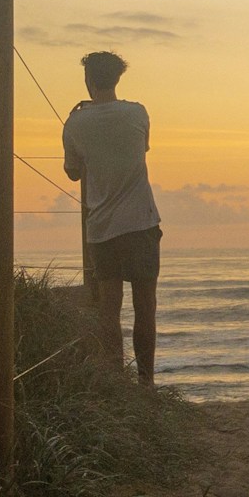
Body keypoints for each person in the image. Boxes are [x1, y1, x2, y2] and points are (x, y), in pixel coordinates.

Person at [62, 50, 162, 386]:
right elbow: (140, 150)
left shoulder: (75, 122)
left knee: (109, 309)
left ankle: (116, 379)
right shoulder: (137, 113)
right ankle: (146, 383)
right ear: (118, 79)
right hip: (142, 223)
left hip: (102, 228)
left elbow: (73, 173)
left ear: (88, 80)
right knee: (145, 306)